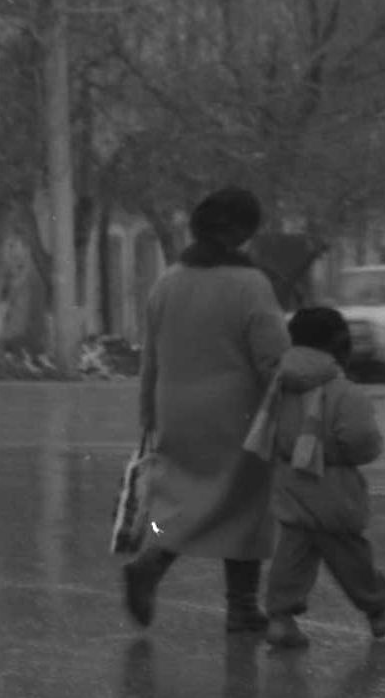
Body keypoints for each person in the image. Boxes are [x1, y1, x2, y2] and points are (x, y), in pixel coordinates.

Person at [122, 186, 294, 633]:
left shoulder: (168, 282)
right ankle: (239, 605)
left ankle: (154, 560)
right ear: (243, 233)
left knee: (181, 501)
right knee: (245, 505)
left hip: (175, 408)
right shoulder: (251, 285)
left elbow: (151, 359)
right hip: (238, 414)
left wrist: (148, 414)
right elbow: (273, 357)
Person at [255, 305, 385, 650]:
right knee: (347, 550)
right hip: (333, 485)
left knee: (294, 550)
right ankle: (380, 605)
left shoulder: (280, 382)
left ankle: (280, 617)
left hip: (289, 479)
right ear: (338, 345)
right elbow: (362, 442)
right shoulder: (343, 392)